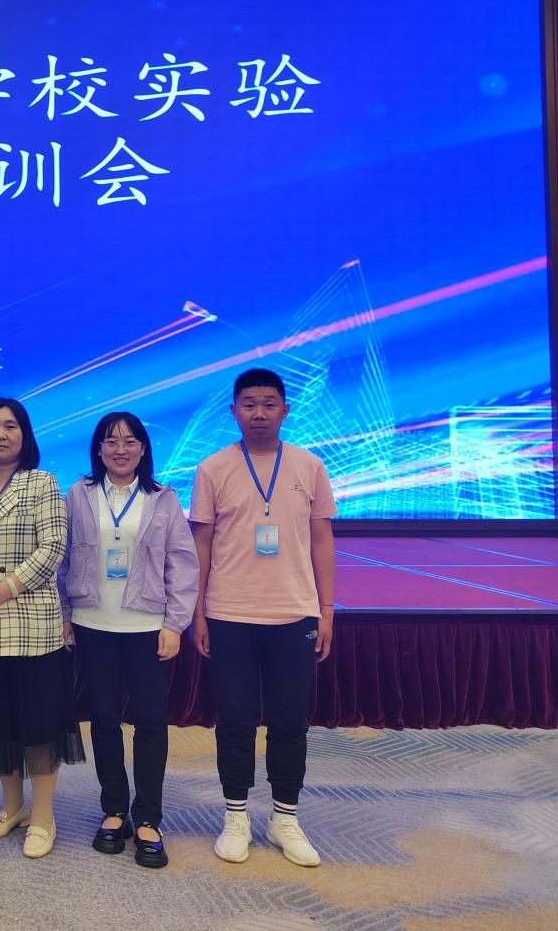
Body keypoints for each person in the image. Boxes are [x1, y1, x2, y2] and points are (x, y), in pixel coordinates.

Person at [190, 368, 337, 868]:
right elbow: (201, 544)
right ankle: (235, 816)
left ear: (285, 410)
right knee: (234, 719)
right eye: (249, 404)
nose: (259, 413)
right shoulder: (213, 468)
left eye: (269, 404)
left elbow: (322, 539)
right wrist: (198, 611)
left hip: (294, 612)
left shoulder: (309, 466)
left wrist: (326, 609)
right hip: (229, 612)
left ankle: (284, 818)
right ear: (233, 411)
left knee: (290, 720)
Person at [58, 412, 198, 868]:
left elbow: (182, 564)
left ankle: (149, 818)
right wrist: (66, 616)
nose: (121, 449)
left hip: (147, 627)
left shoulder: (163, 498)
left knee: (152, 722)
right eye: (111, 441)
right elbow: (63, 559)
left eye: (130, 441)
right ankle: (114, 810)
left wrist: (175, 624)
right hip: (93, 624)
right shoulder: (78, 494)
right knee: (103, 720)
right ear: (98, 449)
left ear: (143, 448)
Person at [0, 397, 83, 860]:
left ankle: (43, 815)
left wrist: (5, 588)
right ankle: (12, 807)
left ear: (25, 435)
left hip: (28, 625)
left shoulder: (41, 483)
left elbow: (53, 548)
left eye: (10, 426)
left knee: (38, 724)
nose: (0, 434)